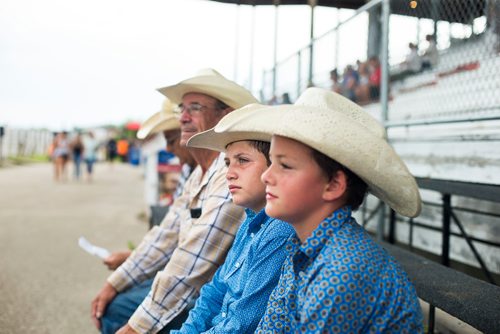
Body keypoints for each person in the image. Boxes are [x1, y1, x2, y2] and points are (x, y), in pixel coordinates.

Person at [212, 87, 424, 332]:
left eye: (285, 165)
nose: (267, 176)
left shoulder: (341, 271)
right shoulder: (304, 248)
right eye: (272, 161)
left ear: (333, 184)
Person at [91, 68, 259, 334]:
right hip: (203, 297)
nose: (182, 117)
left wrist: (135, 326)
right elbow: (166, 236)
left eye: (194, 107)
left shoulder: (228, 176)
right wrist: (115, 282)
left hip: (201, 301)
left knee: (117, 311)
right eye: (182, 108)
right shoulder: (202, 174)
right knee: (119, 303)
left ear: (224, 116)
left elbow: (191, 261)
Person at [171, 105, 294, 333]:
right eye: (228, 162)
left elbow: (241, 325)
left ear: (273, 168)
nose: (230, 172)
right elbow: (214, 292)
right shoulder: (250, 222)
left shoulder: (280, 230)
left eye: (243, 160)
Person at [103, 99, 197, 271]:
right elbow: (173, 232)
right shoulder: (189, 171)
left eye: (171, 140)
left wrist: (133, 259)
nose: (168, 149)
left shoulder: (199, 172)